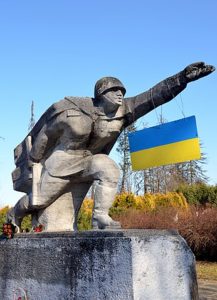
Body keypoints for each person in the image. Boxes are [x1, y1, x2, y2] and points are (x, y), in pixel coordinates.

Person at [7, 62, 215, 231]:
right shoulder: (72, 112)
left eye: (121, 91)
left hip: (88, 160)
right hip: (61, 162)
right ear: (100, 93)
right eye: (113, 90)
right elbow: (45, 135)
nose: (120, 94)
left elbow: (154, 95)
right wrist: (34, 161)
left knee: (107, 166)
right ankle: (14, 214)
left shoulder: (125, 110)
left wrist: (182, 78)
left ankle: (100, 217)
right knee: (39, 201)